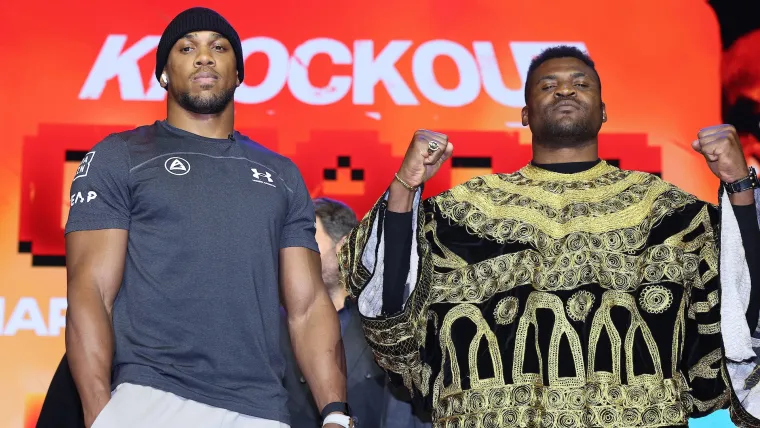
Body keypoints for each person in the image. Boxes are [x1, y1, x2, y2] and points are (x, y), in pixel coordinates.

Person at [339, 45, 760, 427]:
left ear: (604, 111)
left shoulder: (668, 212)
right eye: (549, 85)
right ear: (524, 114)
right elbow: (386, 301)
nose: (565, 91)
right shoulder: (458, 214)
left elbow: (743, 299)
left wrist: (740, 185)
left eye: (581, 84)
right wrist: (405, 186)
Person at [60, 7, 351, 428]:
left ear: (238, 75)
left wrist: (335, 413)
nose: (204, 57)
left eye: (219, 47)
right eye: (186, 47)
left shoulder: (281, 175)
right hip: (150, 396)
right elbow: (89, 291)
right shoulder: (120, 155)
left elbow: (307, 306)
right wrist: (99, 413)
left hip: (261, 409)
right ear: (164, 73)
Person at [280, 197, 431, 428]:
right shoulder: (274, 325)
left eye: (308, 242)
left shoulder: (385, 323)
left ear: (343, 247)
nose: (296, 255)